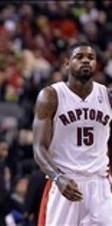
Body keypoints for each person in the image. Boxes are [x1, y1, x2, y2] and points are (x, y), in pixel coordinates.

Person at [33, 42, 112, 226]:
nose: (85, 61)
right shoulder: (51, 96)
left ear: (96, 64)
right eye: (79, 57)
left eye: (90, 58)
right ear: (67, 63)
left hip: (99, 184)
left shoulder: (107, 96)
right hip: (65, 183)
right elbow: (39, 147)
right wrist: (58, 178)